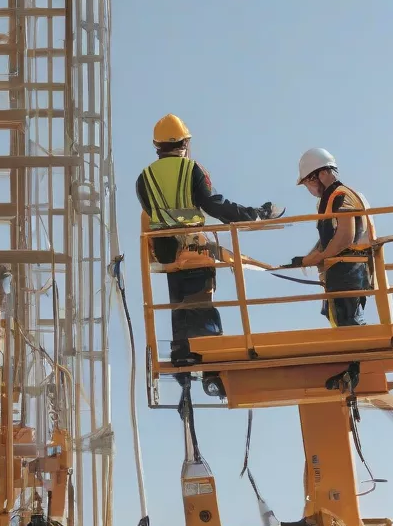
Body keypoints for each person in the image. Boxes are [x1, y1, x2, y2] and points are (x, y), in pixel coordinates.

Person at [135, 113, 283, 372]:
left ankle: (181, 353)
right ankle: (212, 357)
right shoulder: (192, 169)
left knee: (178, 305)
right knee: (200, 302)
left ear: (157, 146)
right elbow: (214, 205)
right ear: (184, 142)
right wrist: (254, 214)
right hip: (193, 250)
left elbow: (151, 213)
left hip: (167, 254)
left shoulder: (144, 178)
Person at [291, 148, 373, 327]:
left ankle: (357, 354)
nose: (309, 188)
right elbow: (329, 238)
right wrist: (307, 258)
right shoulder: (328, 200)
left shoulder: (341, 195)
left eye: (308, 182)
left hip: (349, 271)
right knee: (339, 319)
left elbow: (345, 236)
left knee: (348, 323)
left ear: (321, 174)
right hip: (341, 271)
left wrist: (319, 257)